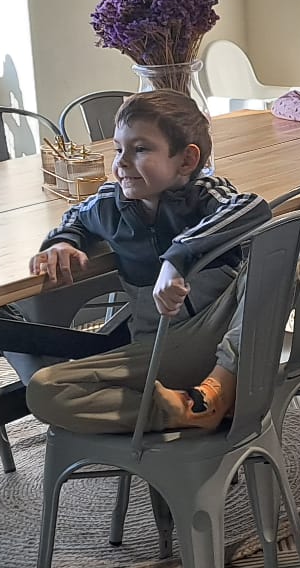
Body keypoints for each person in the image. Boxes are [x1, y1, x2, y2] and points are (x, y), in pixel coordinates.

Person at [25, 91, 269, 435]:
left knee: (283, 259)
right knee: (44, 389)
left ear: (186, 160)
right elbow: (76, 217)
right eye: (118, 149)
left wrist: (177, 257)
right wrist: (62, 242)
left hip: (222, 333)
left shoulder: (205, 192)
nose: (122, 163)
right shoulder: (109, 206)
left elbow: (253, 208)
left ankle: (219, 388)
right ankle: (186, 409)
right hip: (158, 349)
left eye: (140, 149)